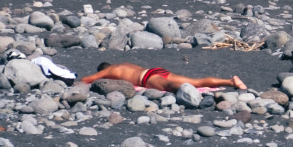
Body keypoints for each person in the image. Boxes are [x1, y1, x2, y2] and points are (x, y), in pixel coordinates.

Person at [80, 63, 249, 92]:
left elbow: (88, 79)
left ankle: (186, 91)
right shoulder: (123, 65)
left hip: (146, 77)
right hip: (156, 70)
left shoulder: (110, 70)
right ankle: (231, 82)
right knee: (197, 82)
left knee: (168, 86)